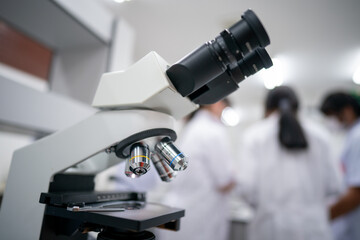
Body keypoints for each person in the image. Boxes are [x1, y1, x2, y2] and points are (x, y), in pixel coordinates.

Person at [236, 86, 342, 240]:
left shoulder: (254, 136)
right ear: (297, 108)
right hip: (314, 229)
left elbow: (246, 189)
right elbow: (334, 185)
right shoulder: (321, 135)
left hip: (270, 229)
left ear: (266, 109)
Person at [156, 99, 236, 240]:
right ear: (217, 102)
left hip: (178, 212)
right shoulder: (213, 130)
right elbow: (224, 182)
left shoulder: (190, 128)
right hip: (198, 217)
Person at [320, 91, 360, 240]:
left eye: (332, 115)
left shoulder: (358, 136)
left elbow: (356, 193)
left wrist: (322, 217)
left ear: (347, 110)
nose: (332, 121)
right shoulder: (351, 136)